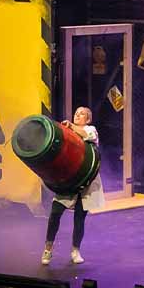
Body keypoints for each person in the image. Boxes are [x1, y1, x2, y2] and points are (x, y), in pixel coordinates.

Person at [42, 106, 105, 265]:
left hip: (85, 182)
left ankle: (75, 251)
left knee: (79, 218)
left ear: (88, 119)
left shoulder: (90, 130)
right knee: (55, 213)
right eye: (76, 113)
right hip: (68, 181)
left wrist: (71, 126)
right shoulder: (68, 131)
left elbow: (86, 135)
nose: (77, 115)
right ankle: (48, 249)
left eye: (81, 114)